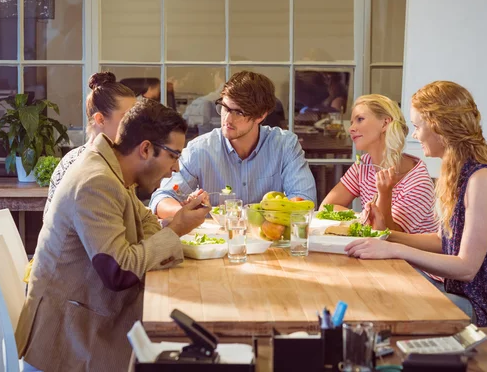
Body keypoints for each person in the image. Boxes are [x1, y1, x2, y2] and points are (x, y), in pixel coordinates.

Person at [16, 99, 210, 371]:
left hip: (91, 317)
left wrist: (176, 224)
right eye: (174, 155)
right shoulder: (96, 181)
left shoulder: (115, 170)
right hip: (65, 340)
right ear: (145, 149)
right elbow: (118, 272)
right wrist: (176, 229)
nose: (176, 168)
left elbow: (147, 226)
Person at [345, 81, 487, 327]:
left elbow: (466, 268)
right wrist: (386, 236)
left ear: (438, 126)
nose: (414, 134)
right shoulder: (458, 171)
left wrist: (393, 249)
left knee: (384, 302)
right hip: (470, 295)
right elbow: (442, 240)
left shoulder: (483, 178)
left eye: (417, 126)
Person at [150, 71, 316, 218]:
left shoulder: (284, 145)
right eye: (225, 108)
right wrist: (188, 212)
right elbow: (161, 199)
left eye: (238, 112)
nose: (227, 119)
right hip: (216, 245)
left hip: (269, 242)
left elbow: (305, 201)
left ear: (261, 116)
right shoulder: (200, 149)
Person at [321, 94, 438, 234]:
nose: (351, 128)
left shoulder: (418, 182)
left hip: (408, 255)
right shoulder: (363, 165)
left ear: (385, 123)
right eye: (352, 122)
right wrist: (362, 218)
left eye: (360, 119)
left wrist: (384, 194)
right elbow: (327, 207)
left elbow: (390, 236)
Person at [43, 72, 136, 218]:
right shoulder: (80, 166)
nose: (135, 124)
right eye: (127, 117)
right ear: (100, 119)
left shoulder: (117, 160)